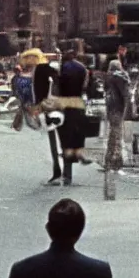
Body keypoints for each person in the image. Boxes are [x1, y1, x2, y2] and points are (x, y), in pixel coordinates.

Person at [55, 49, 91, 186]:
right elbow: (86, 86)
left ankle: (67, 174)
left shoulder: (62, 69)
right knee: (78, 133)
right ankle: (80, 154)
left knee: (66, 139)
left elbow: (58, 87)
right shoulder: (82, 69)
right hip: (78, 102)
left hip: (65, 104)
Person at [33, 55, 62, 185]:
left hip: (50, 111)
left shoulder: (41, 74)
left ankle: (57, 169)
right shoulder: (55, 75)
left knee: (54, 143)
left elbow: (39, 95)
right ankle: (63, 170)